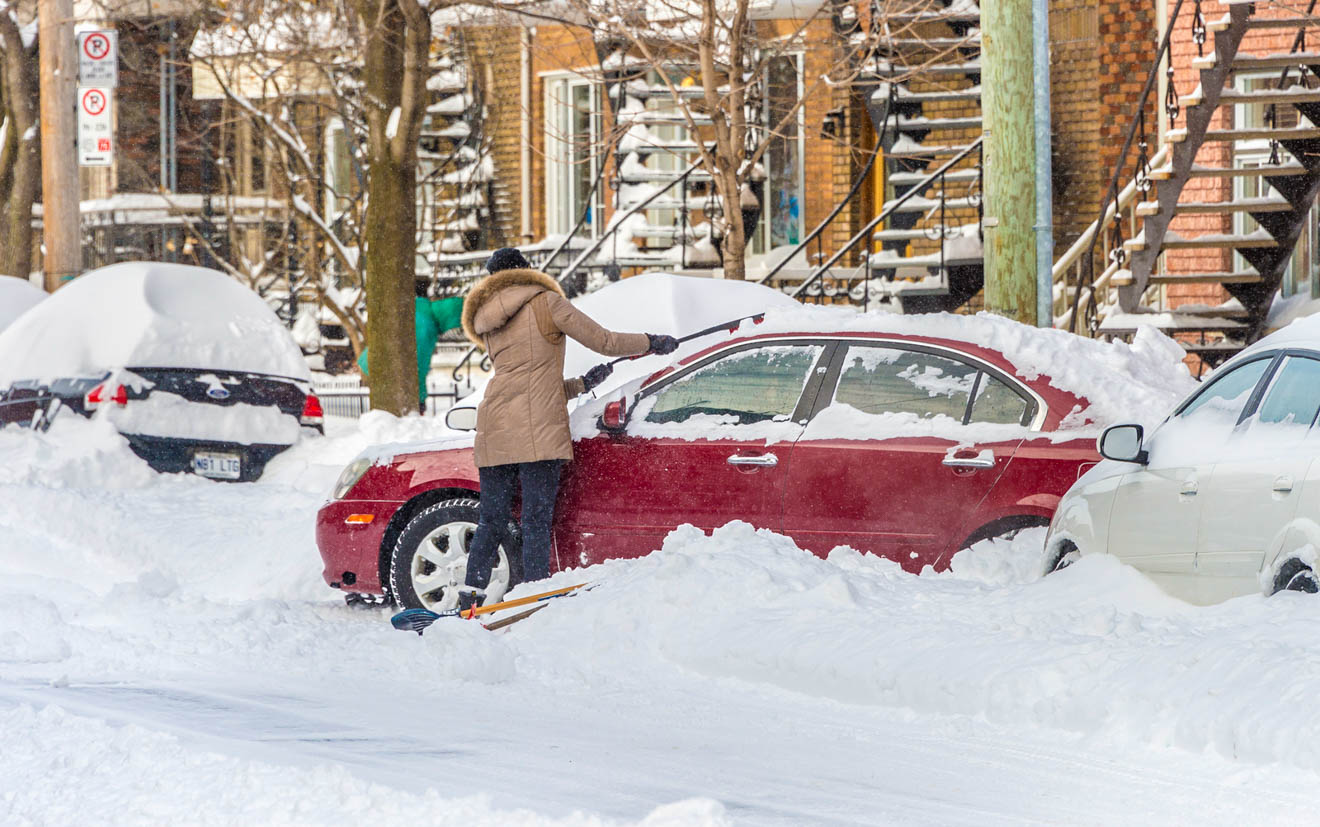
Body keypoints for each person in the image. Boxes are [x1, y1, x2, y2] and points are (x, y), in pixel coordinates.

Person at [458, 247, 678, 610]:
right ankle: (533, 599)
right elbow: (604, 341)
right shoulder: (545, 302)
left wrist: (579, 384)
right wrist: (651, 342)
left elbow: (520, 379)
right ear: (526, 271)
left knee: (492, 519)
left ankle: (469, 597)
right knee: (535, 521)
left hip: (495, 424)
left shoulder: (488, 319)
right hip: (538, 430)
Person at [357, 278, 464, 408]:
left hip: (373, 360)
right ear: (449, 319)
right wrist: (421, 398)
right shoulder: (427, 326)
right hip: (385, 370)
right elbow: (417, 364)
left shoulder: (417, 308)